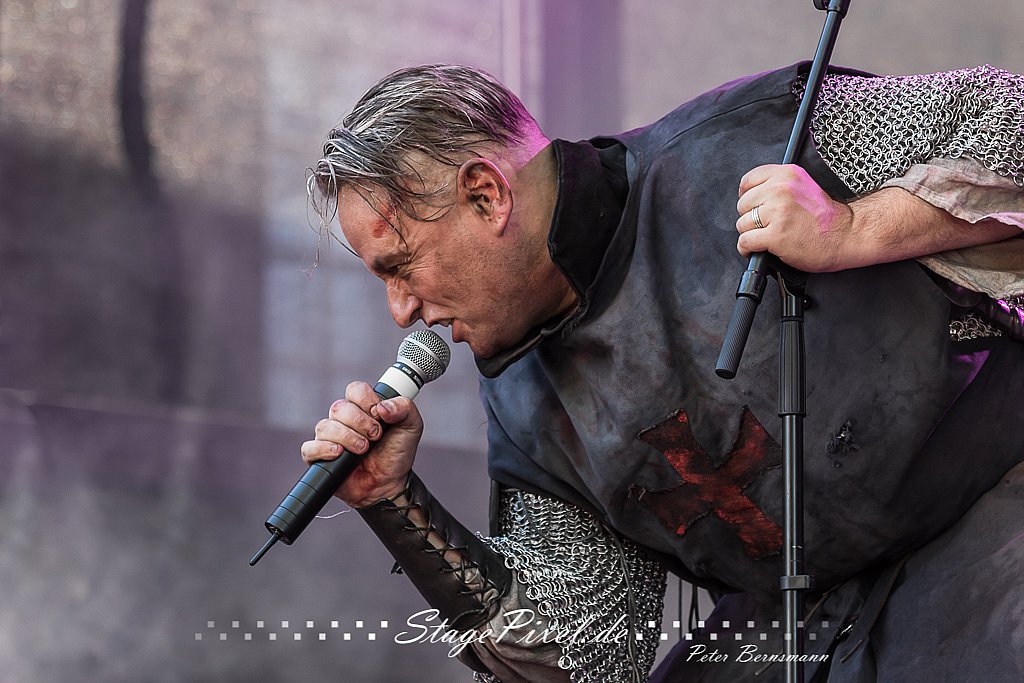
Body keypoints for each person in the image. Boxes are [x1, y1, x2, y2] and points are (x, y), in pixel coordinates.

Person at [300, 62, 1024, 682]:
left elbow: (1011, 124)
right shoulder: (524, 405)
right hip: (798, 623)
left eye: (400, 265)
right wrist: (395, 502)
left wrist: (853, 228)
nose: (401, 310)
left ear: (487, 194)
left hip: (994, 516)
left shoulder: (754, 137)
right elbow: (583, 656)